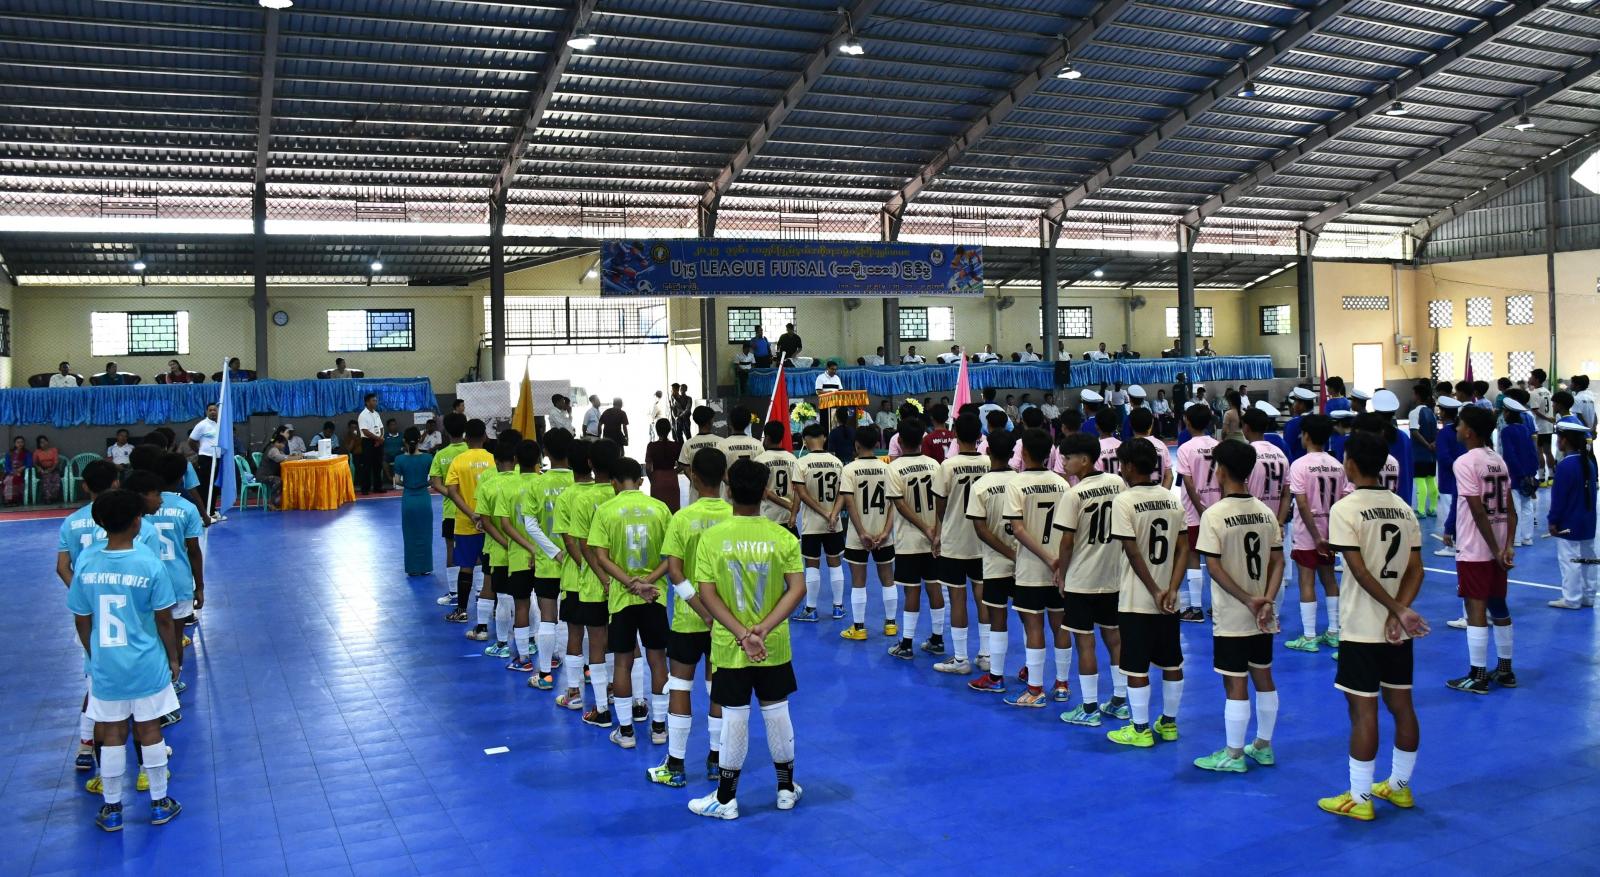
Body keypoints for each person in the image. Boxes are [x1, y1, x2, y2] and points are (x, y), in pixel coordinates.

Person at [686, 458, 806, 820]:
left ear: (729, 492)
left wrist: (742, 634)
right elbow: (797, 589)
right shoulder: (783, 537)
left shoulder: (712, 539)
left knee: (734, 716)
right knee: (777, 711)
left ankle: (726, 799)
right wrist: (763, 629)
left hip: (730, 645)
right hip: (773, 644)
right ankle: (786, 789)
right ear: (765, 493)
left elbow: (707, 594)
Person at [1317, 430, 1427, 821]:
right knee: (1402, 705)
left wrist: (1394, 609)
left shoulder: (1345, 509)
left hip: (1362, 628)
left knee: (1363, 712)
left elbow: (1361, 572)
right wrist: (1401, 612)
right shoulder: (1403, 507)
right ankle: (1399, 786)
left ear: (1349, 463)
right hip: (1397, 630)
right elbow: (1416, 570)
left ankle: (1360, 797)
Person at [68, 488, 183, 831]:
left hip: (106, 665)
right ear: (136, 522)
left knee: (112, 732)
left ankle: (112, 807)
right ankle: (159, 802)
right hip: (146, 662)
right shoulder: (149, 563)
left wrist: (94, 654)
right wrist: (173, 657)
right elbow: (164, 619)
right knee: (149, 729)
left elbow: (81, 618)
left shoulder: (87, 562)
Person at [1191, 440, 1283, 774]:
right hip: (1263, 614)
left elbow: (1214, 568)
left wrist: (1247, 600)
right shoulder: (1265, 512)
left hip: (1233, 614)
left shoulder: (1214, 515)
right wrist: (1266, 599)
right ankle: (1263, 746)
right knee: (1263, 674)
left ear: (1222, 470)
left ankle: (1233, 754)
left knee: (1235, 682)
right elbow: (1278, 561)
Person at [654, 446, 733, 787]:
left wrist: (701, 611)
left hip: (689, 620)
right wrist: (716, 615)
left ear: (694, 477)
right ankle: (716, 759)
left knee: (680, 686)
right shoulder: (733, 516)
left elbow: (674, 572)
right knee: (718, 687)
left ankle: (675, 765)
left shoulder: (682, 518)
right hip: (726, 621)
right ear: (724, 476)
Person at [1104, 438, 1187, 748]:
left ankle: (1140, 729)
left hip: (1138, 598)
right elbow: (1183, 548)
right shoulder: (1171, 499)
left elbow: (1133, 551)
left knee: (1135, 665)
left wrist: (1154, 590)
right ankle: (1169, 723)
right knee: (1172, 662)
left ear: (1127, 466)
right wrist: (1171, 589)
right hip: (1170, 600)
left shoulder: (1124, 501)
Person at [588, 455, 674, 749]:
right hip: (654, 596)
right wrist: (647, 582)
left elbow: (601, 557)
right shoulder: (660, 509)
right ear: (641, 480)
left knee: (622, 663)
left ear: (613, 482)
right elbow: (672, 556)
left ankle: (625, 732)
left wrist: (630, 584)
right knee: (657, 660)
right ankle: (659, 728)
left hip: (622, 599)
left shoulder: (606, 511)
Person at [1053, 431, 1130, 727]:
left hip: (1082, 578)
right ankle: (1120, 702)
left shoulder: (1073, 495)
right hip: (1112, 575)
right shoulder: (1117, 483)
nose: (1064, 462)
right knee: (1114, 638)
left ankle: (1088, 708)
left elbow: (1067, 542)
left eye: (1068, 457)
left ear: (1084, 460)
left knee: (1085, 642)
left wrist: (1061, 573)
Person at [1447, 406, 1518, 694]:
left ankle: (1477, 675)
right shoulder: (1497, 460)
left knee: (1474, 605)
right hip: (1498, 546)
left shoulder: (1465, 462)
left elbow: (1477, 511)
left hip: (1476, 548)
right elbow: (1511, 510)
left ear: (1469, 432)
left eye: (1460, 424)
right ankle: (1505, 669)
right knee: (1498, 603)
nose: (1456, 429)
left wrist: (1495, 548)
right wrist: (1507, 546)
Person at [998, 429, 1071, 708]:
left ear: (1024, 453)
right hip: (1060, 567)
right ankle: (1062, 685)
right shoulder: (1062, 483)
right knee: (1060, 625)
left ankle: (1035, 689)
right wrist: (1058, 560)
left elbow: (1017, 529)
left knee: (1034, 626)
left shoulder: (1016, 484)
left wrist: (1046, 558)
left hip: (1031, 567)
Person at [1284, 415, 1346, 653]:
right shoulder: (1337, 465)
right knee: (1330, 579)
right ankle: (1334, 632)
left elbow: (1301, 504)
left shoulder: (1299, 465)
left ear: (1307, 435)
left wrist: (1316, 536)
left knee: (1306, 581)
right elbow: (1342, 502)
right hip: (1330, 531)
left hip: (1307, 534)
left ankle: (1309, 636)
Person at [883, 417, 943, 660]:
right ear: (921, 439)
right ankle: (937, 639)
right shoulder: (935, 465)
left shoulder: (894, 468)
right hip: (935, 539)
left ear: (899, 440)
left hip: (909, 540)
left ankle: (907, 644)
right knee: (934, 586)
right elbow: (941, 501)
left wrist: (925, 528)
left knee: (912, 590)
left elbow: (899, 504)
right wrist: (936, 531)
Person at [834, 425, 898, 643]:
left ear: (856, 445)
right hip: (883, 534)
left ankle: (859, 628)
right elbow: (894, 504)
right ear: (878, 444)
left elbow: (849, 504)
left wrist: (862, 533)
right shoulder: (888, 469)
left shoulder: (850, 469)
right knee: (888, 578)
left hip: (857, 535)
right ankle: (891, 625)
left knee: (858, 581)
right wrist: (886, 531)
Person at [440, 419, 495, 625]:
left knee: (466, 566)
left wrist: (472, 514)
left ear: (466, 437)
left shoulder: (458, 461)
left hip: (466, 523)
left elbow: (452, 492)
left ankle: (462, 611)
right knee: (492, 568)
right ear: (485, 436)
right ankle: (497, 609)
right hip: (491, 525)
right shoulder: (493, 460)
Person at [473, 429, 521, 654]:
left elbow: (482, 518)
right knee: (525, 598)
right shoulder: (527, 479)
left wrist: (503, 541)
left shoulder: (488, 481)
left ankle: (498, 641)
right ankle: (529, 640)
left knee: (498, 593)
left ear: (496, 459)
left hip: (497, 549)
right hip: (525, 551)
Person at [1175, 404, 1221, 622]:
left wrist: (1200, 508)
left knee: (1193, 555)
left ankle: (1195, 608)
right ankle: (1218, 606)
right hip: (1218, 509)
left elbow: (1189, 482)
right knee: (1216, 557)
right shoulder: (1218, 446)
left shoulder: (1186, 448)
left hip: (1195, 512)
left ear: (1187, 422)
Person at [1548, 421, 1598, 609]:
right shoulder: (1589, 463)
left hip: (1569, 521)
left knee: (1570, 561)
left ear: (1564, 440)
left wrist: (1553, 520)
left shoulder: (1565, 465)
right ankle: (1588, 595)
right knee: (1588, 559)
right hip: (1588, 520)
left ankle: (1572, 598)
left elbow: (1559, 498)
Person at [1499, 397, 1539, 547]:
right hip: (1528, 472)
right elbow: (1532, 451)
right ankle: (1527, 537)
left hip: (1514, 474)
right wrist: (1531, 472)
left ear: (1508, 413)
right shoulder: (1525, 429)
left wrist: (1519, 473)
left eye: (1504, 411)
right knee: (1527, 505)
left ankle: (1515, 538)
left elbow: (1509, 455)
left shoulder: (1506, 431)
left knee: (1514, 507)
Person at [1243, 409, 1291, 526]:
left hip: (1251, 522)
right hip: (1274, 522)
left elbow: (1241, 491)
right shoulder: (1280, 454)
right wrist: (1280, 523)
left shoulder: (1246, 453)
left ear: (1246, 427)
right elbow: (1286, 494)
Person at [755, 420, 799, 531]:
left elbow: (760, 489)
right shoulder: (793, 459)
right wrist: (791, 508)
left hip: (767, 516)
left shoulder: (760, 460)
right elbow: (798, 489)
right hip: (788, 516)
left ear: (767, 438)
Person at [1434, 397, 1464, 558]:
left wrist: (1456, 469)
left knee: (1449, 512)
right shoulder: (1461, 430)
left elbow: (1444, 457)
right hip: (1463, 479)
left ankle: (1452, 545)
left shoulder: (1444, 432)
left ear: (1444, 412)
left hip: (1448, 478)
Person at [186, 403, 224, 519]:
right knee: (206, 486)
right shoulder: (202, 425)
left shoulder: (220, 425)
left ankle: (212, 511)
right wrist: (200, 452)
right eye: (210, 410)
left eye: (214, 410)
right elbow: (191, 441)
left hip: (218, 459)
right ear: (206, 412)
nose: (213, 412)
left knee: (215, 486)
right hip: (206, 459)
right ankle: (204, 514)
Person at [645, 419, 681, 511]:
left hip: (657, 480)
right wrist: (673, 472)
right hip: (672, 480)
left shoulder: (651, 446)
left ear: (657, 430)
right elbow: (682, 465)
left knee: (658, 511)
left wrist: (652, 479)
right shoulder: (675, 445)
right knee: (673, 510)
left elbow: (648, 468)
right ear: (669, 430)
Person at [353, 393, 384, 495]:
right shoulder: (363, 415)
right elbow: (365, 431)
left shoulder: (376, 414)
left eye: (376, 400)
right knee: (367, 466)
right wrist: (377, 439)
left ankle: (377, 487)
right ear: (367, 402)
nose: (375, 402)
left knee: (378, 465)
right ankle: (365, 488)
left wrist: (380, 438)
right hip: (368, 442)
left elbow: (381, 428)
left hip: (378, 442)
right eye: (373, 400)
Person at [257, 430, 292, 511]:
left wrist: (290, 456)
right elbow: (280, 458)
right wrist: (292, 458)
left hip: (268, 474)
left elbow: (284, 456)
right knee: (278, 481)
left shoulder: (277, 449)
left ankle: (284, 502)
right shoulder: (273, 449)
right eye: (283, 444)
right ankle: (272, 504)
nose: (284, 446)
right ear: (277, 442)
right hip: (263, 476)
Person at [1282, 387, 1316, 463]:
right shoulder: (1319, 421)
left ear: (1302, 405)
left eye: (1295, 402)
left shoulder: (1292, 424)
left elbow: (1287, 449)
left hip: (1297, 464)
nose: (1293, 405)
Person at [33, 436, 63, 504]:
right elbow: (34, 463)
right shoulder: (37, 452)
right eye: (41, 442)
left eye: (45, 441)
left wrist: (51, 469)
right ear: (39, 444)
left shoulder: (54, 450)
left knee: (56, 479)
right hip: (43, 470)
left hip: (54, 469)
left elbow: (56, 462)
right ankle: (47, 498)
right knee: (46, 479)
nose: (44, 443)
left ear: (47, 441)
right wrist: (39, 468)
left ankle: (54, 497)